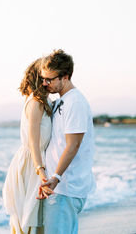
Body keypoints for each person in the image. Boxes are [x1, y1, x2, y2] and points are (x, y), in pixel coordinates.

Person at [39, 49, 96, 234]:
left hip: (66, 187)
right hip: (60, 187)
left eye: (49, 79)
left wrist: (56, 178)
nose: (45, 83)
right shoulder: (63, 101)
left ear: (65, 76)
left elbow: (73, 145)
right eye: (43, 79)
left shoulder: (75, 102)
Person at [2, 58, 52, 234]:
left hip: (36, 161)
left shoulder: (42, 101)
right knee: (30, 218)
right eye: (47, 75)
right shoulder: (36, 102)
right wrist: (41, 170)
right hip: (32, 163)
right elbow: (33, 141)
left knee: (35, 218)